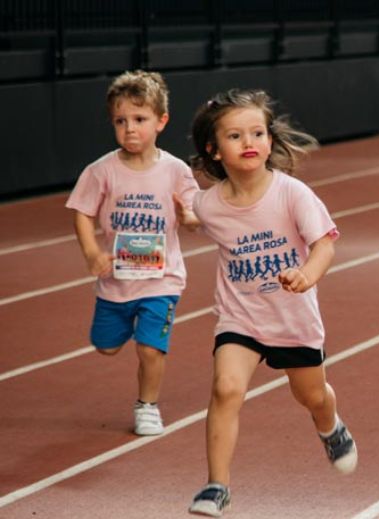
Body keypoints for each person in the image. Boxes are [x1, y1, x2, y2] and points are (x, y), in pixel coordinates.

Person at [184, 89, 355, 517]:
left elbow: (324, 245)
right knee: (226, 389)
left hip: (293, 320)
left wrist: (306, 275)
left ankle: (330, 427)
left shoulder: (292, 193)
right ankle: (217, 486)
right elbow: (194, 216)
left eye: (257, 133)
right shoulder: (209, 204)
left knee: (311, 396)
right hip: (240, 318)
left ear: (270, 140)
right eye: (235, 136)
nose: (249, 142)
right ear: (214, 150)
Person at [66, 70, 200, 437]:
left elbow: (194, 216)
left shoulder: (175, 171)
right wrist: (92, 252)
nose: (130, 129)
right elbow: (82, 212)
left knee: (150, 349)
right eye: (120, 121)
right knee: (106, 346)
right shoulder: (101, 171)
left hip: (162, 280)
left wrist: (189, 217)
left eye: (139, 119)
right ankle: (124, 325)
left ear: (161, 121)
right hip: (117, 280)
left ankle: (147, 406)